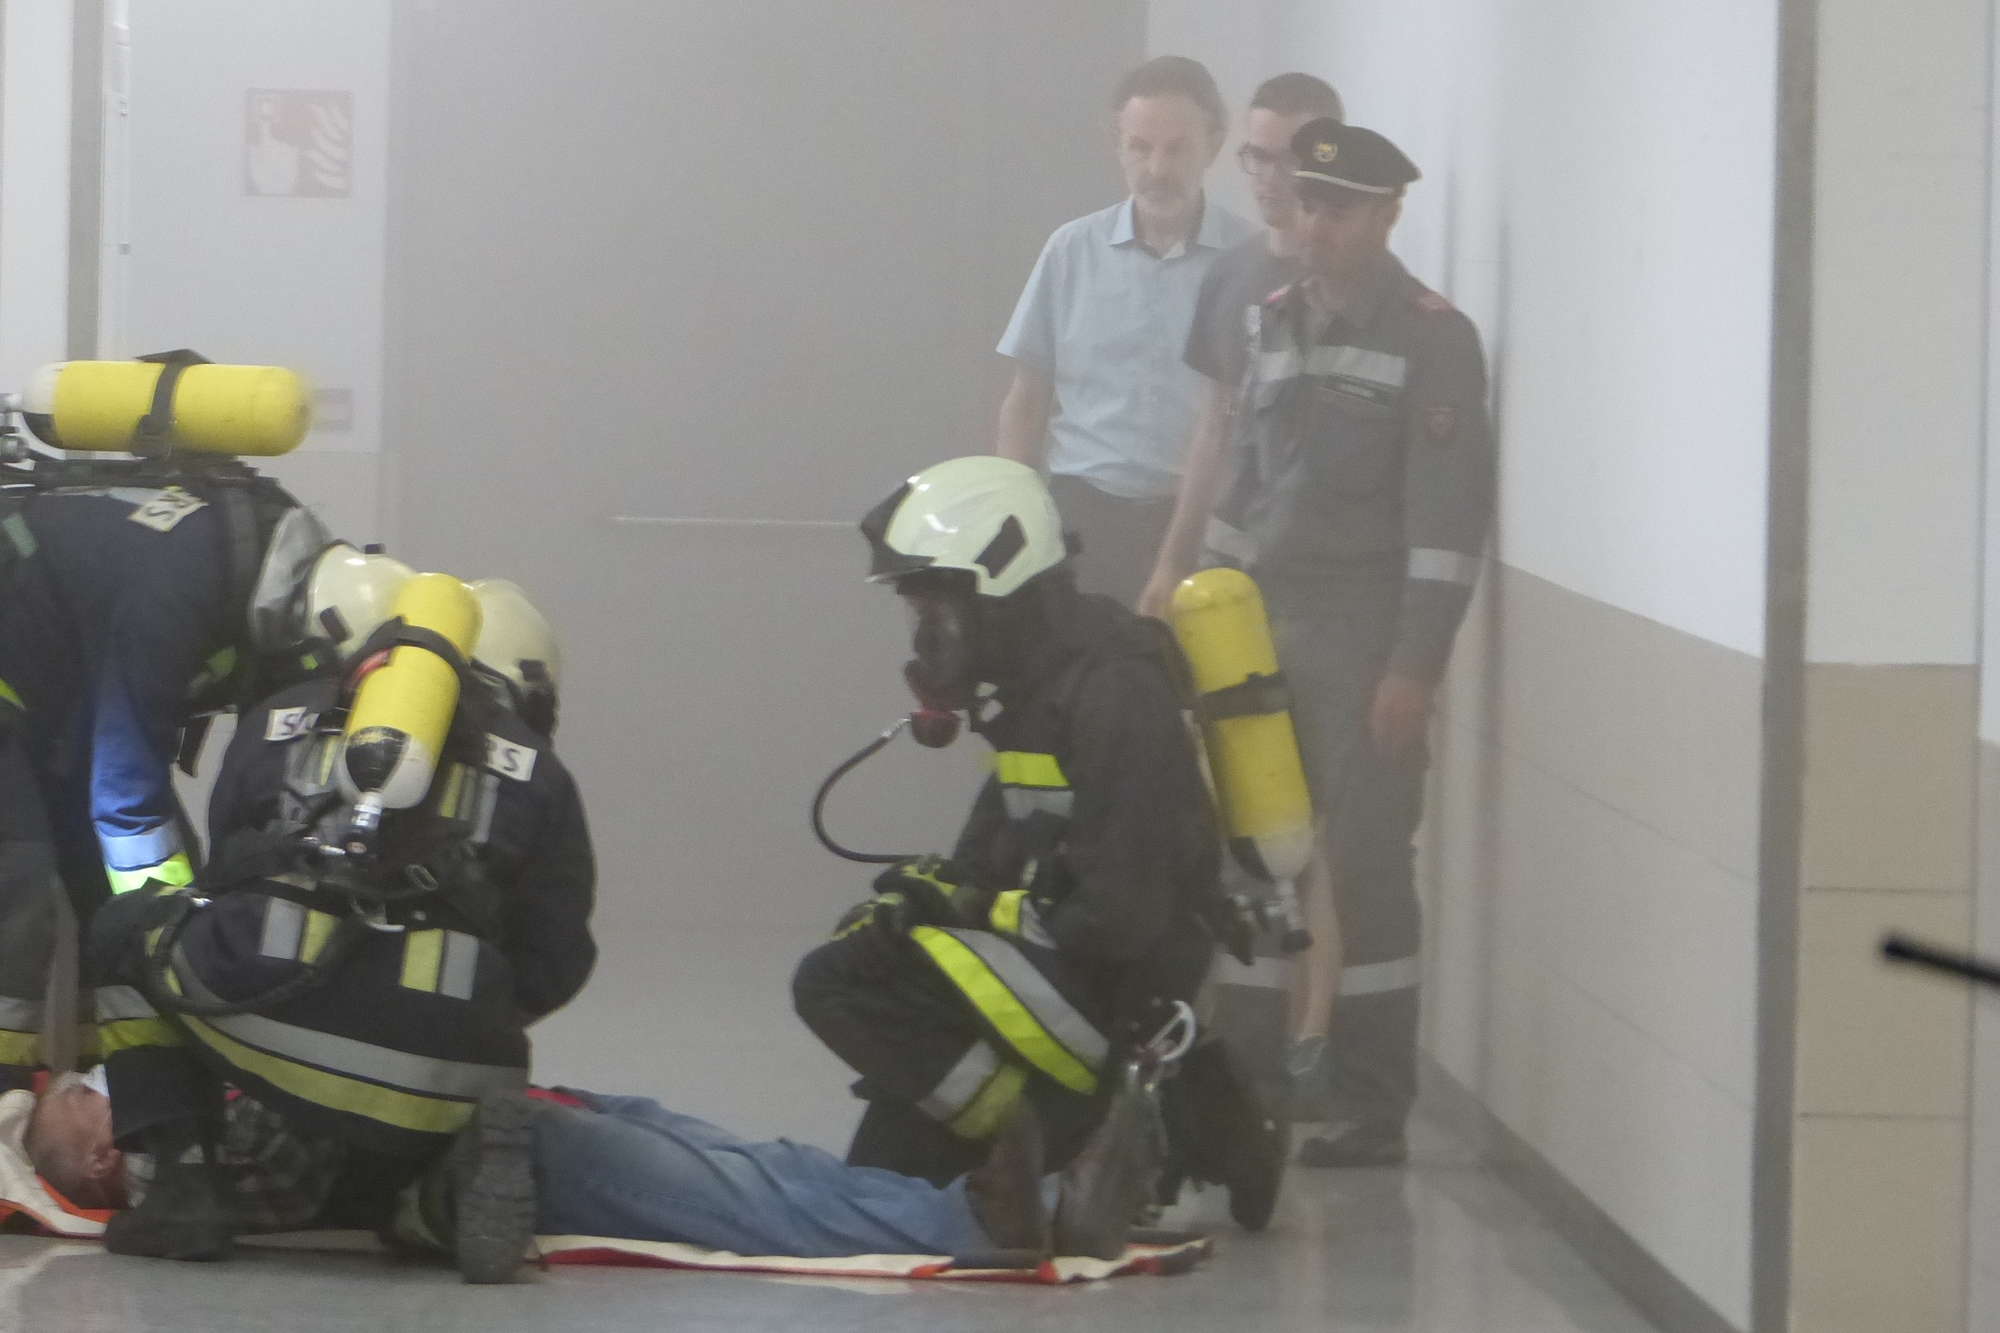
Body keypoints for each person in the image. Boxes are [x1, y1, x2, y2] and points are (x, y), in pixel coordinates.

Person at [1145, 120, 1495, 1168]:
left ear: (1387, 215)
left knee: (1366, 861)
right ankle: (1248, 1086)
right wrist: (1198, 619)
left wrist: (1412, 669)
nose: (1316, 224)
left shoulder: (1434, 338)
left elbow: (1445, 527)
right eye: (1307, 204)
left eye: (1339, 208)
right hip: (1260, 626)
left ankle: (1370, 1104)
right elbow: (1244, 487)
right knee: (1253, 854)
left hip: (1365, 631)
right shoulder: (1269, 319)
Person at [83, 575, 596, 1272]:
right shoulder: (542, 772)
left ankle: (182, 1185)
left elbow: (227, 885)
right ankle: (434, 1199)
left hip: (272, 1023)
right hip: (451, 1071)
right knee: (413, 1083)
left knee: (125, 928)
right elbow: (556, 961)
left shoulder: (283, 713)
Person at [792, 456, 1221, 1198]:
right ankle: (1009, 1132)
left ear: (995, 587)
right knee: (877, 1174)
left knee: (833, 982)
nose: (926, 642)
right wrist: (932, 899)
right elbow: (988, 857)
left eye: (936, 615)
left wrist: (972, 910)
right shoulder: (1037, 688)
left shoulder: (1115, 693)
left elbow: (1118, 917)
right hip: (1069, 963)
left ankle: (1064, 1131)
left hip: (1121, 994)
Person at [0, 460, 394, 1087]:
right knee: (20, 885)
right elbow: (126, 794)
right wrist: (171, 924)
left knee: (118, 882)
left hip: (45, 692)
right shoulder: (182, 590)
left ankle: (132, 1092)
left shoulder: (258, 564)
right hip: (25, 690)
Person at [22, 1066, 1161, 1265]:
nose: (97, 1084)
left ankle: (1014, 1204)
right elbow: (294, 1166)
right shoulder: (186, 1177)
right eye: (84, 1098)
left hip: (517, 1115)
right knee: (737, 1196)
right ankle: (988, 1221)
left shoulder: (187, 1112)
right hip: (484, 1164)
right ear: (100, 1159)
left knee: (750, 1159)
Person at [994, 56, 1253, 605]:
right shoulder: (1070, 251)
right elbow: (1027, 400)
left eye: (1177, 148)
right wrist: (1015, 523)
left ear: (1213, 144)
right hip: (1082, 519)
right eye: (1140, 147)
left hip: (1204, 525)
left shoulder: (1249, 262)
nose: (1157, 168)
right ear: (1117, 145)